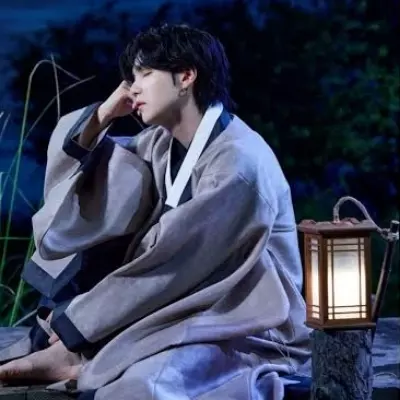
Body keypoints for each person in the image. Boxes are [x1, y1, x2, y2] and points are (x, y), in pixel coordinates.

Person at [0, 24, 310, 399]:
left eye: (145, 74)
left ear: (186, 77)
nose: (133, 88)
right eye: (131, 78)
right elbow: (96, 175)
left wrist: (78, 320)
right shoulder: (162, 143)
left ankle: (74, 355)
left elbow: (175, 259)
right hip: (185, 296)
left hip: (242, 314)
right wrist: (103, 116)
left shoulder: (238, 164)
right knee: (104, 191)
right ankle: (73, 354)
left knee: (144, 383)